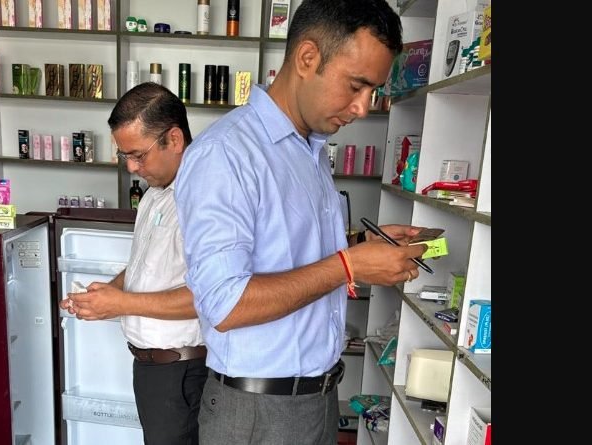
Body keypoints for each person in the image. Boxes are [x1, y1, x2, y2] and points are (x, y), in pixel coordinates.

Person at [173, 1, 428, 444]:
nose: (363, 107)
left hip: (318, 398)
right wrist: (349, 266)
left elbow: (286, 248)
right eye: (357, 85)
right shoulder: (226, 154)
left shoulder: (308, 149)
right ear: (308, 58)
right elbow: (225, 305)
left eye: (372, 91)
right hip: (258, 412)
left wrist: (361, 246)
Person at [60, 82, 206, 445]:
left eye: (138, 155)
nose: (131, 167)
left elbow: (208, 296)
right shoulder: (155, 195)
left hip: (183, 370)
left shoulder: (203, 199)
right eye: (124, 155)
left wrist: (121, 303)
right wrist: (109, 291)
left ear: (174, 139)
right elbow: (146, 265)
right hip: (153, 369)